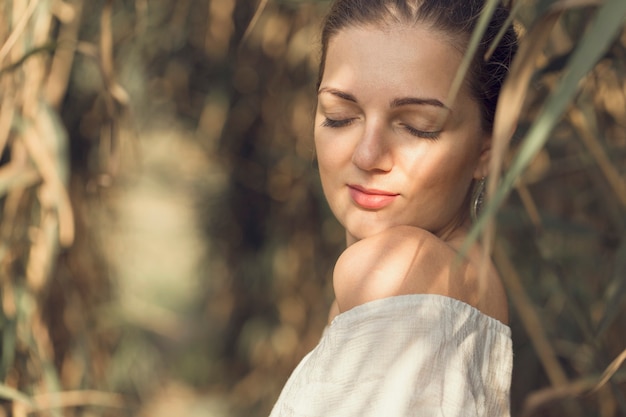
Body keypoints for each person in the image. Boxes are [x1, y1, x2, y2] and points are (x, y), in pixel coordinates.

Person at [270, 0, 518, 416]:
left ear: (485, 152)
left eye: (417, 126)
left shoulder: (397, 271)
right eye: (339, 116)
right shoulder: (468, 283)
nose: (367, 155)